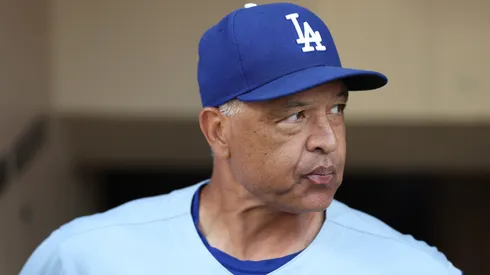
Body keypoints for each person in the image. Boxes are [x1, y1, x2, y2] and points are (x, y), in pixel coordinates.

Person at [21, 2, 462, 275]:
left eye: (337, 109)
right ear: (218, 130)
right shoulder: (85, 258)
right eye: (295, 114)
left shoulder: (412, 268)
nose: (327, 138)